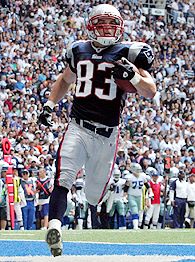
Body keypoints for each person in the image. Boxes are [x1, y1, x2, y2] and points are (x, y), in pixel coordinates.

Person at [38, 4, 156, 256]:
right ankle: (55, 227)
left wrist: (133, 77)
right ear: (90, 25)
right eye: (101, 24)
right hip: (77, 126)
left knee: (94, 193)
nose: (106, 29)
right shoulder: (78, 50)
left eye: (111, 24)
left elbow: (150, 90)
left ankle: (92, 214)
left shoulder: (130, 52)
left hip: (107, 135)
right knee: (63, 178)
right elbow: (64, 80)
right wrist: (49, 104)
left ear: (120, 27)